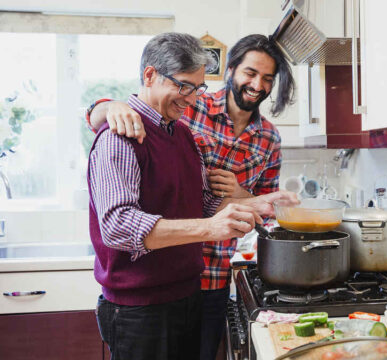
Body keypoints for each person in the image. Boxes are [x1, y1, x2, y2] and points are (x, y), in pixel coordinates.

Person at [88, 32, 297, 360]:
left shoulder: (182, 133)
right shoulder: (121, 135)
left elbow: (202, 200)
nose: (191, 98)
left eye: (197, 88)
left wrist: (254, 202)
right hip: (141, 306)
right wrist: (104, 107)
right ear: (150, 75)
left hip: (190, 291)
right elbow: (118, 226)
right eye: (184, 86)